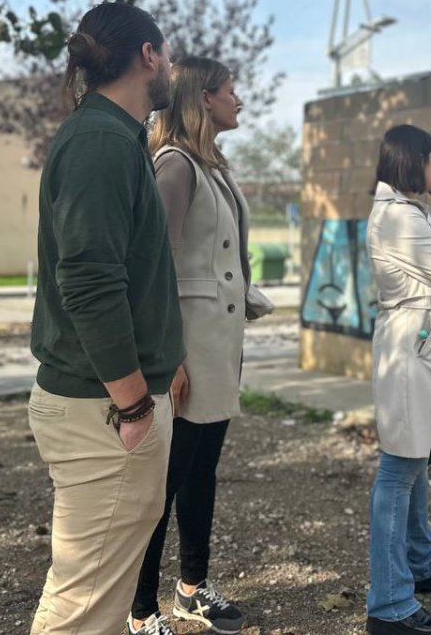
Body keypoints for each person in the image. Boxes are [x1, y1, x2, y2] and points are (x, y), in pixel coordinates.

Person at [26, 2, 186, 635]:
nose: (170, 65)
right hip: (105, 411)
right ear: (148, 54)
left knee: (97, 598)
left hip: (107, 407)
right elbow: (90, 283)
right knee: (82, 610)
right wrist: (133, 406)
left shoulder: (114, 137)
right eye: (166, 53)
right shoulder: (99, 141)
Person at [126, 57, 274, 635]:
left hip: (218, 348)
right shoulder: (177, 165)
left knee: (202, 473)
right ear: (205, 98)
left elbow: (214, 259)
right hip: (188, 351)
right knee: (163, 485)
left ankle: (191, 587)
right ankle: (140, 611)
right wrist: (172, 358)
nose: (240, 101)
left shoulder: (211, 164)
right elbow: (155, 261)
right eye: (232, 91)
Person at [365, 125, 431, 635]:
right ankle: (387, 603)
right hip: (412, 350)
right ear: (414, 162)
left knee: (414, 462)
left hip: (417, 345)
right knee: (399, 469)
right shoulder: (401, 220)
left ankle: (423, 564)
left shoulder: (408, 213)